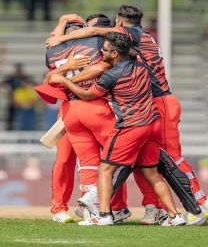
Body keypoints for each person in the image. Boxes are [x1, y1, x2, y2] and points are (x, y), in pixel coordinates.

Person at [46, 5, 208, 226]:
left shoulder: (124, 37)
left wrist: (61, 62)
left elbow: (87, 46)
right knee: (145, 161)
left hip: (157, 103)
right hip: (152, 103)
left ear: (118, 23)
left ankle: (200, 203)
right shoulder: (138, 39)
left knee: (169, 158)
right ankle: (126, 208)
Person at [49, 32, 186, 226]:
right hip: (152, 125)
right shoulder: (142, 66)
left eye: (104, 49)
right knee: (152, 173)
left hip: (131, 126)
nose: (101, 51)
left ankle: (104, 215)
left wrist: (65, 81)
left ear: (114, 54)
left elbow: (87, 95)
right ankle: (174, 216)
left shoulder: (111, 75)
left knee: (105, 170)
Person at [42, 15, 129, 223]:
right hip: (74, 108)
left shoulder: (95, 43)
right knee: (66, 160)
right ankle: (60, 208)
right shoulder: (88, 45)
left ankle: (114, 206)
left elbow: (51, 75)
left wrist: (62, 24)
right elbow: (48, 79)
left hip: (88, 106)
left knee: (106, 160)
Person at [1, 63, 28, 130]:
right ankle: (9, 127)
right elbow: (3, 83)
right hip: (13, 99)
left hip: (22, 100)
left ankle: (24, 127)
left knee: (24, 115)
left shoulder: (24, 78)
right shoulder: (11, 78)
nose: (18, 72)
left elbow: (32, 83)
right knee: (11, 114)